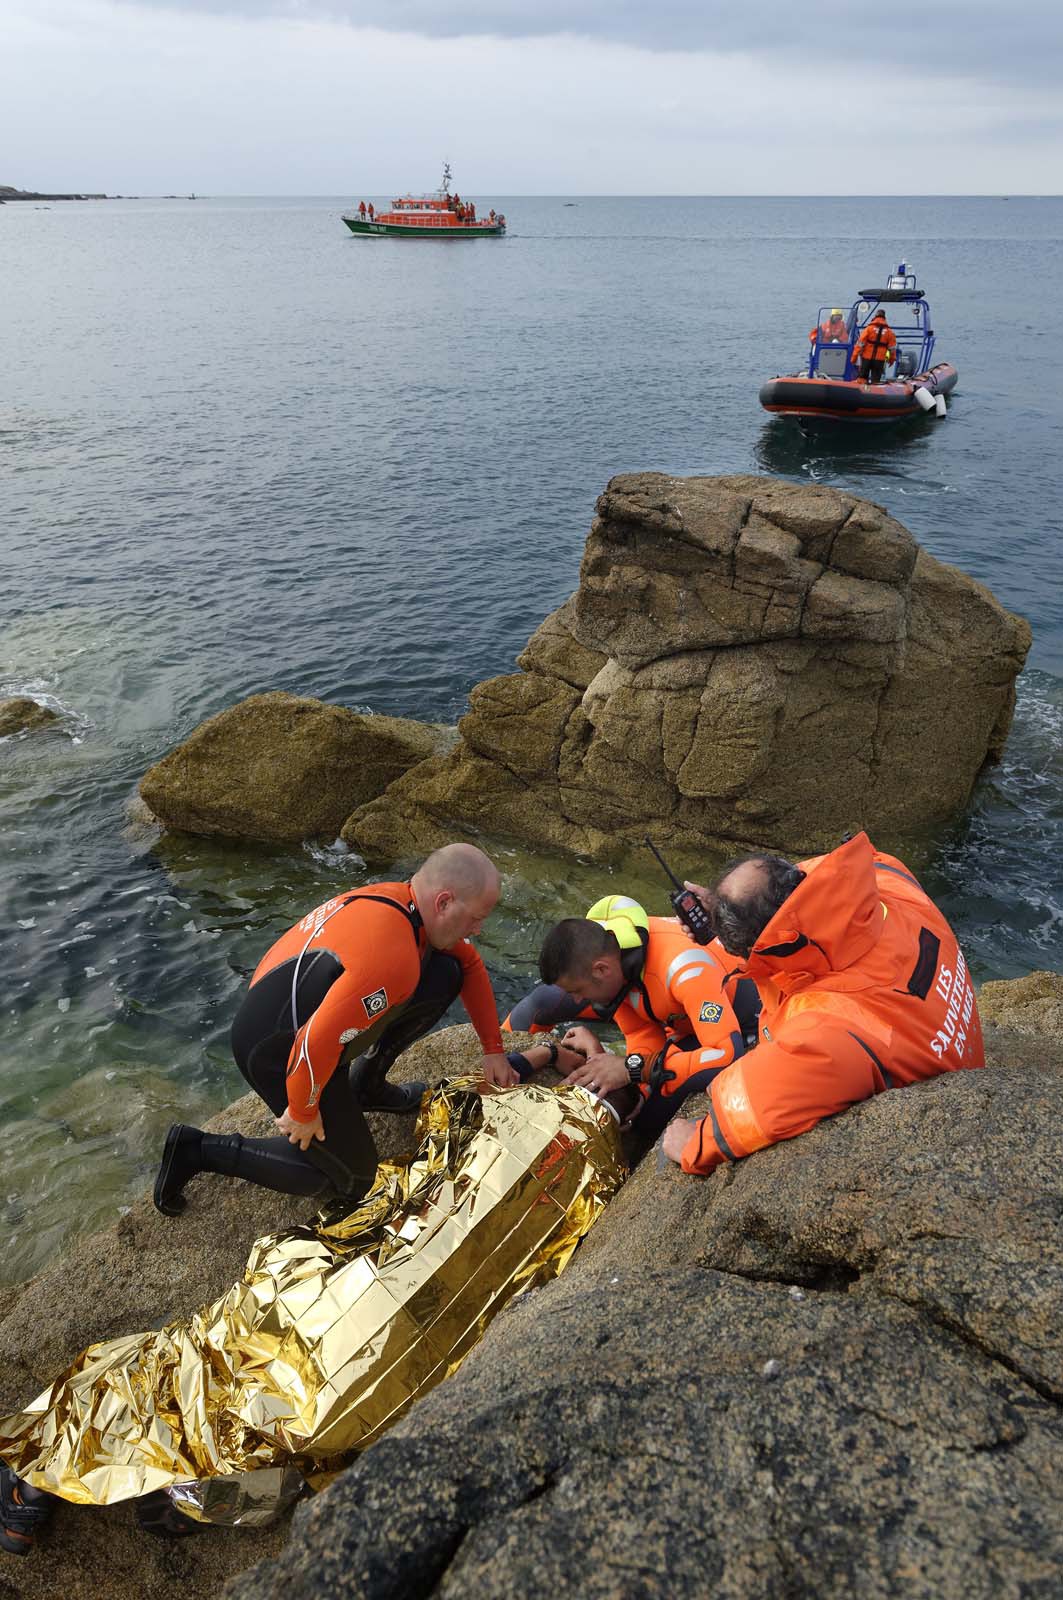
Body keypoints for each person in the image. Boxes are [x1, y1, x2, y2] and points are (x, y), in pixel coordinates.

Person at [153, 844, 515, 1218]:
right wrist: (303, 1110)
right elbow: (312, 1045)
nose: (479, 929)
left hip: (311, 1019)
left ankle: (367, 1088)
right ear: (443, 902)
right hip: (275, 1046)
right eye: (476, 918)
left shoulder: (402, 901)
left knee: (445, 971)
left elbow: (469, 965)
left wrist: (493, 1048)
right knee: (353, 1179)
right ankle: (197, 1148)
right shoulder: (393, 958)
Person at [660, 832, 985, 1176]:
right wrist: (726, 906)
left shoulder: (823, 1032)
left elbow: (749, 1113)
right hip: (941, 1033)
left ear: (757, 948)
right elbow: (814, 877)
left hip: (947, 1122)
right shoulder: (887, 874)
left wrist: (693, 1141)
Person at [510, 895, 759, 1142]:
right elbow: (641, 1032)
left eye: (577, 991)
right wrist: (637, 1092)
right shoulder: (619, 960)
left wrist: (632, 1068)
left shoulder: (685, 969)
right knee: (545, 1001)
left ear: (601, 970)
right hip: (675, 1015)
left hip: (737, 1020)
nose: (577, 1001)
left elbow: (726, 1055)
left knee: (649, 1121)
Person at [853, 308, 897, 382]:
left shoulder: (868, 329)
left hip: (866, 358)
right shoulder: (889, 332)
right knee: (876, 380)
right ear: (884, 318)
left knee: (862, 379)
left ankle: (861, 391)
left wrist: (854, 357)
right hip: (879, 360)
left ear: (875, 317)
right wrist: (891, 360)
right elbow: (892, 349)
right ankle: (874, 390)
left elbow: (859, 344)